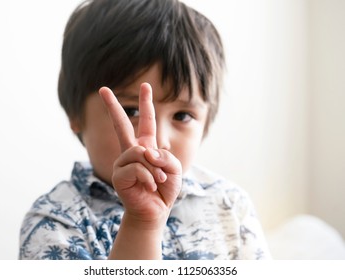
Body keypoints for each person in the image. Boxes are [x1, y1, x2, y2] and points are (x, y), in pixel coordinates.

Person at [19, 0, 271, 260]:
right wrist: (142, 223)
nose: (158, 141)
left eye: (182, 115)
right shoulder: (55, 222)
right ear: (76, 115)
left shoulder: (230, 205)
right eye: (131, 111)